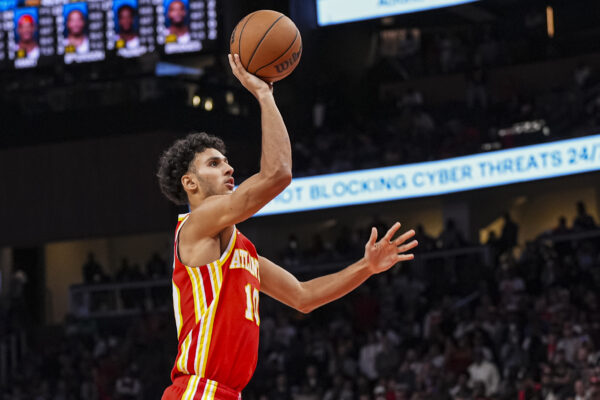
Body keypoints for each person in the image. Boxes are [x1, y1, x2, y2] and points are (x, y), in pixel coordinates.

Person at [157, 54, 418, 399]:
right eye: (215, 163)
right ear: (190, 183)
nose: (229, 168)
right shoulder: (195, 226)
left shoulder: (243, 252)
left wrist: (366, 267)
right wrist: (264, 95)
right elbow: (278, 174)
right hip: (197, 390)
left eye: (228, 161)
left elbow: (303, 296)